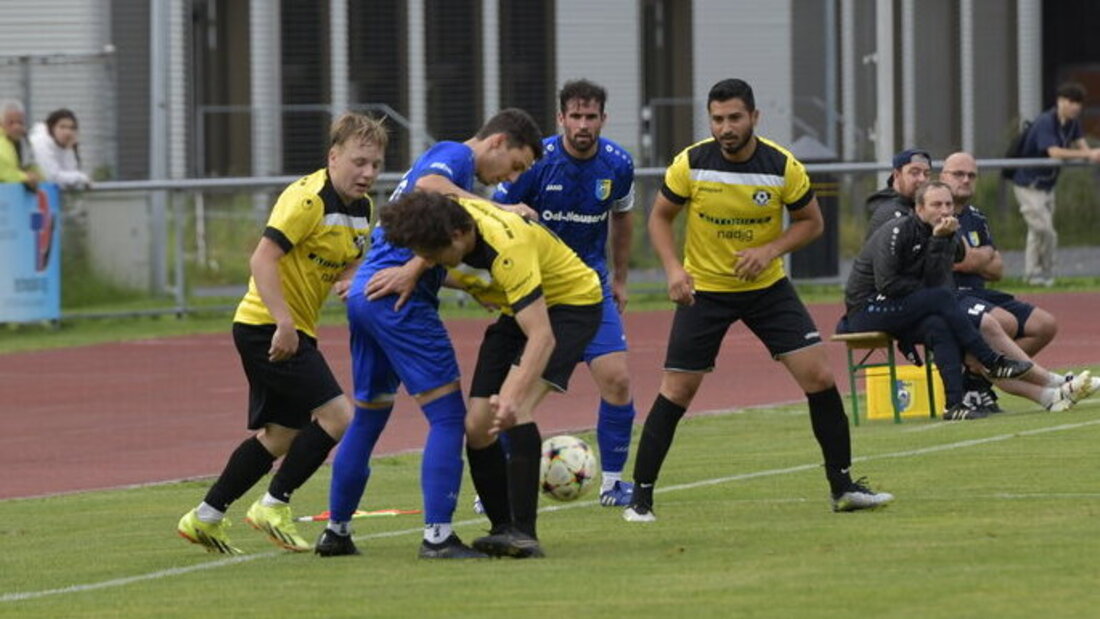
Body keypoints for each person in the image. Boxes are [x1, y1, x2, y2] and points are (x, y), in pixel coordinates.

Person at [623, 78, 894, 524]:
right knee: (677, 390)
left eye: (734, 118)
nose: (725, 128)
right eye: (717, 119)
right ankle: (641, 499)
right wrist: (674, 269)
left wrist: (769, 251)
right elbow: (660, 217)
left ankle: (843, 487)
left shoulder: (782, 166)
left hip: (766, 289)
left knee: (820, 376)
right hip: (706, 292)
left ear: (754, 118)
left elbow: (811, 222)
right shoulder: (690, 163)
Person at [318, 108, 543, 559]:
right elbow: (431, 191)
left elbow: (428, 234)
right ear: (497, 142)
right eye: (516, 165)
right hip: (398, 301)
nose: (510, 179)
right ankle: (438, 538)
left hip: (369, 293)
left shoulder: (455, 172)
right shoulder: (453, 156)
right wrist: (500, 208)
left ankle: (337, 532)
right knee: (446, 419)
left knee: (370, 414)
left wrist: (475, 285)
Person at [177, 112, 386, 554]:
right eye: (359, 161)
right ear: (334, 157)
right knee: (339, 416)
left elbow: (350, 259)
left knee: (282, 436)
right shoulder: (307, 199)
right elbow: (262, 260)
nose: (367, 173)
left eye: (375, 164)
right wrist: (285, 323)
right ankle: (274, 503)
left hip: (291, 329)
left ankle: (205, 517)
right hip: (265, 326)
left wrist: (352, 278)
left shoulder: (363, 209)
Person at [380, 192, 603, 559]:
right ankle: (503, 529)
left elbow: (543, 336)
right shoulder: (447, 214)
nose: (431, 263)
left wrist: (513, 395)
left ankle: (524, 534)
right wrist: (411, 269)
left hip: (570, 306)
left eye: (434, 255)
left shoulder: (507, 247)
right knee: (479, 426)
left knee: (517, 410)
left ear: (459, 234)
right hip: (518, 307)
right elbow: (430, 183)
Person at [492, 79, 637, 507]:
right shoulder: (537, 161)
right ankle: (497, 484)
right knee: (515, 388)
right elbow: (490, 208)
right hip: (535, 288)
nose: (583, 125)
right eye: (575, 116)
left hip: (589, 286)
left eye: (591, 116)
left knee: (617, 378)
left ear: (603, 120)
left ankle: (612, 483)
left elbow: (623, 218)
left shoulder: (618, 164)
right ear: (561, 119)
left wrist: (621, 277)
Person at [842, 181, 1036, 420]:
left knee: (939, 325)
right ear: (919, 208)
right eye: (936, 204)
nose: (944, 211)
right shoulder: (898, 230)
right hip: (867, 309)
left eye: (948, 204)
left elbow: (937, 280)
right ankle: (992, 361)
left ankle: (954, 405)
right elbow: (888, 284)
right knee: (942, 298)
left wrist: (940, 241)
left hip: (903, 305)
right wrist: (929, 291)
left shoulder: (947, 234)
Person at [940, 152, 1064, 410]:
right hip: (953, 295)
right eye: (958, 174)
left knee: (1045, 325)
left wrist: (977, 259)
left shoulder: (976, 216)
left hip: (980, 294)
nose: (965, 180)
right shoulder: (936, 210)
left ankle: (978, 373)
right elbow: (954, 263)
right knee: (1003, 322)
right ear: (942, 176)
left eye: (971, 175)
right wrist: (981, 258)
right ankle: (1047, 384)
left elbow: (997, 270)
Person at [1011, 82, 1100, 287]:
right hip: (1028, 185)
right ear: (1060, 101)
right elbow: (1054, 152)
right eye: (1071, 101)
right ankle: (1048, 273)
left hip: (1047, 186)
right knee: (1045, 230)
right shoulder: (1046, 121)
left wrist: (1090, 154)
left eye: (1078, 103)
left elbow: (1083, 147)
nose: (1075, 107)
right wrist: (1089, 154)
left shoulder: (1073, 123)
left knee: (1036, 233)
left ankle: (1032, 276)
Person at [864, 148, 932, 238]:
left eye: (926, 174)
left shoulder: (922, 205)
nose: (922, 179)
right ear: (896, 175)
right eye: (914, 173)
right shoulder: (886, 210)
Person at [28, 108, 91, 190]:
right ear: (51, 128)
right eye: (62, 127)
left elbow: (70, 175)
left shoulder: (63, 145)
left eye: (71, 128)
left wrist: (68, 149)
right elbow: (52, 178)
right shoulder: (40, 143)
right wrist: (81, 177)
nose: (67, 132)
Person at [0, 99, 42, 190]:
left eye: (20, 122)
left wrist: (39, 178)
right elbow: (3, 171)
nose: (17, 127)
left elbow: (32, 165)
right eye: (11, 123)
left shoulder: (25, 143)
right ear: (1, 123)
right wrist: (24, 178)